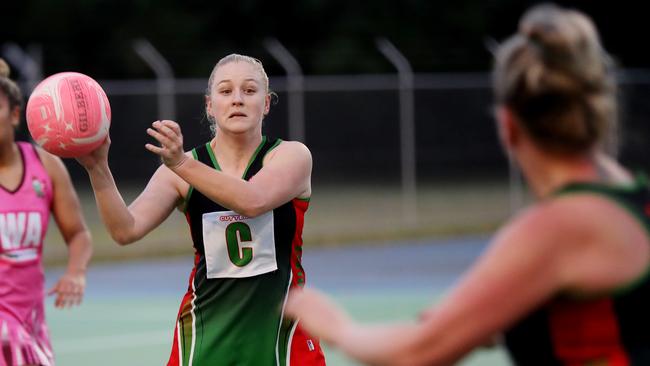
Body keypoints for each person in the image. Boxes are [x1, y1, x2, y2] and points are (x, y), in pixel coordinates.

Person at [285, 4, 650, 365]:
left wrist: (334, 325)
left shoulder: (556, 229)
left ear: (508, 126)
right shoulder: (635, 200)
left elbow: (415, 352)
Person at [76, 53, 326, 365]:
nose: (237, 100)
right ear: (210, 105)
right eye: (225, 91)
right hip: (206, 339)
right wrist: (98, 168)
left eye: (249, 91)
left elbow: (253, 201)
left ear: (266, 104)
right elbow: (125, 230)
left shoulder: (291, 156)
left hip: (283, 339)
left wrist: (181, 163)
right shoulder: (179, 171)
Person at [0, 59, 93, 366]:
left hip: (31, 321)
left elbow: (78, 233)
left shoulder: (45, 165)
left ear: (15, 115)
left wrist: (75, 272)